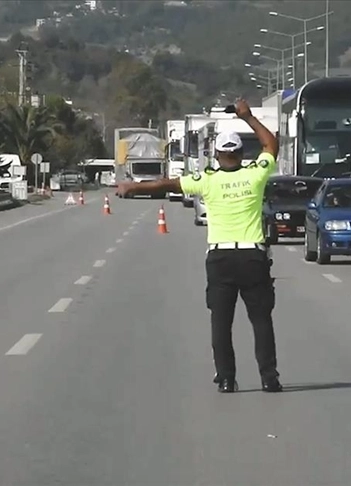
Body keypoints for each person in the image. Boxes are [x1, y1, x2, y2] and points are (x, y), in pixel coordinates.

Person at [116, 99, 282, 393]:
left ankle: (227, 378)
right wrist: (248, 118)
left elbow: (168, 184)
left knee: (221, 323)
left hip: (220, 258)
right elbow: (270, 146)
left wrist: (133, 186)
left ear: (217, 155)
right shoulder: (255, 175)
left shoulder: (206, 180)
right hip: (252, 258)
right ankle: (269, 377)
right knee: (260, 320)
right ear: (241, 154)